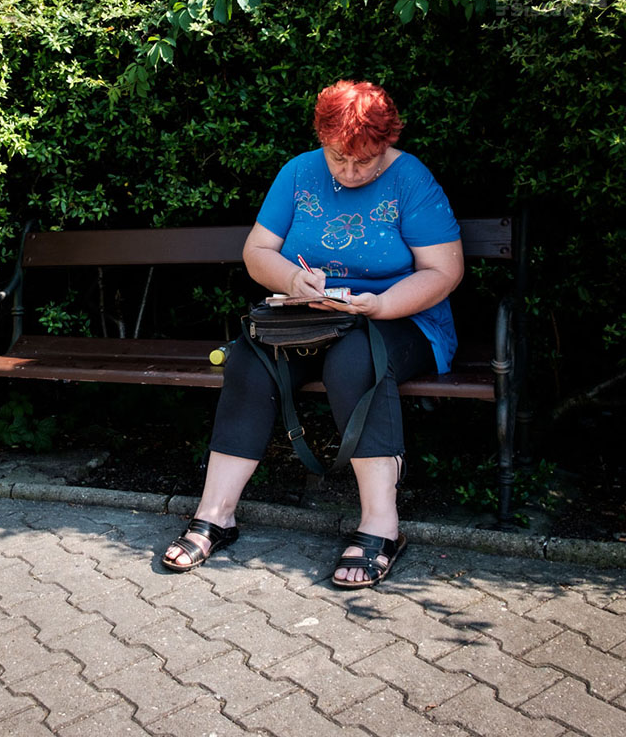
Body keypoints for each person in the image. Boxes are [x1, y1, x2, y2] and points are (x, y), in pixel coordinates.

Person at [162, 80, 464, 588]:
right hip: (312, 315)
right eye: (338, 158)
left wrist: (383, 304)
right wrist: (291, 280)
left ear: (387, 144)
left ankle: (381, 527)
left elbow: (443, 271)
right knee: (250, 358)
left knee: (355, 361)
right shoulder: (299, 172)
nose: (348, 172)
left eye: (363, 162)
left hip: (400, 319)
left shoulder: (411, 179)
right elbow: (258, 252)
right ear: (321, 139)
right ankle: (216, 513)